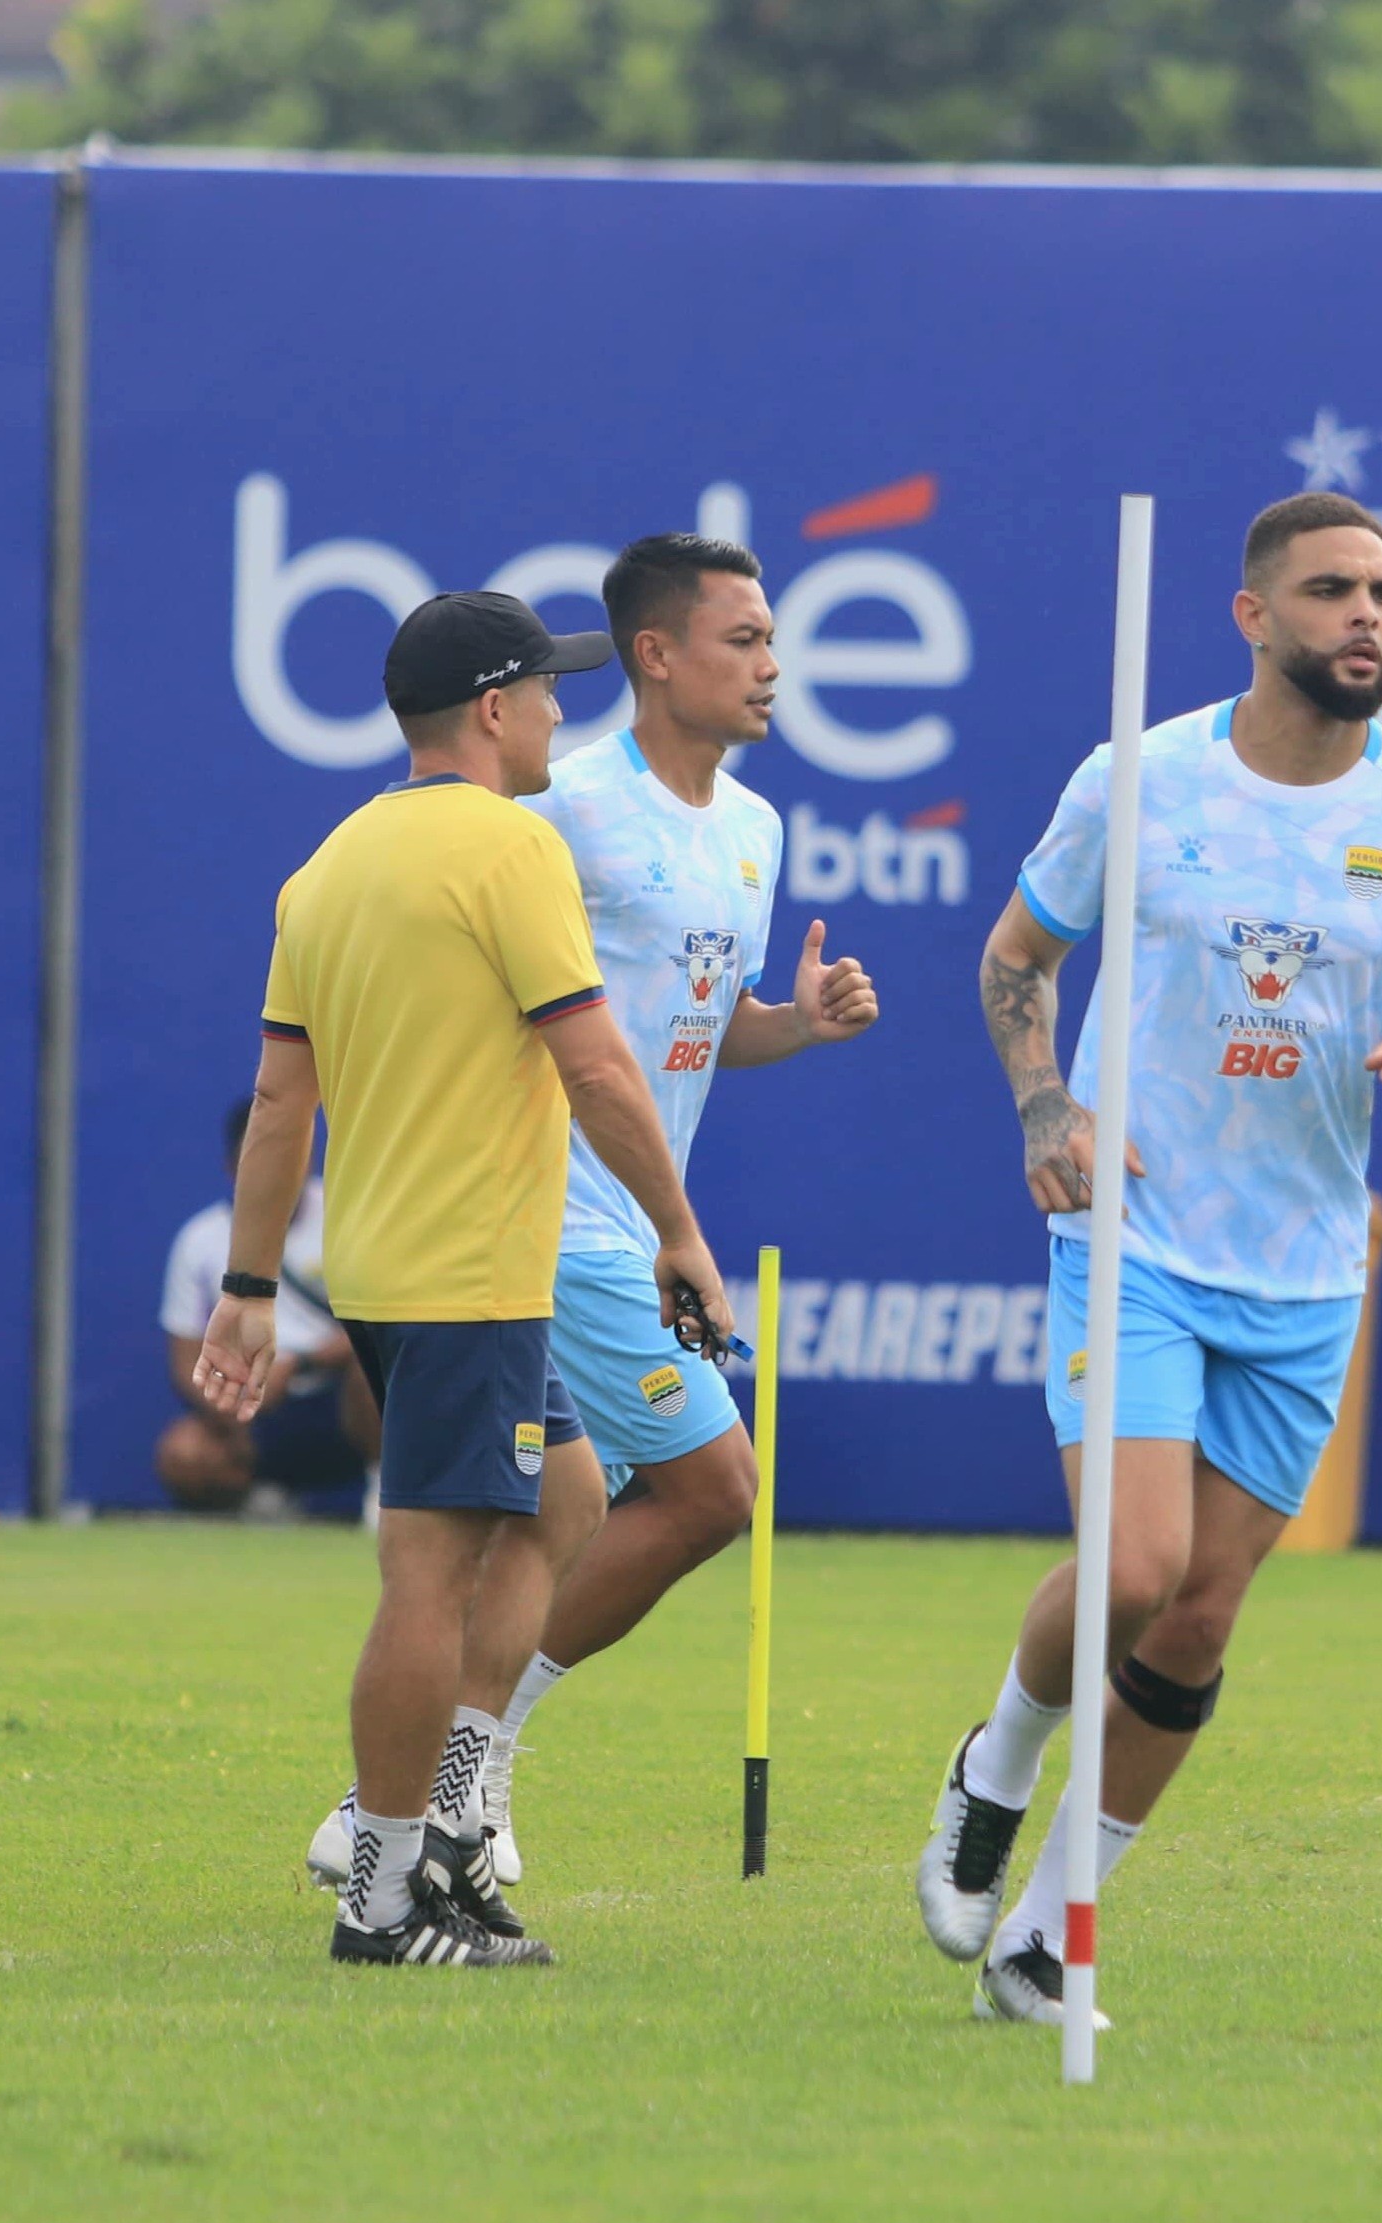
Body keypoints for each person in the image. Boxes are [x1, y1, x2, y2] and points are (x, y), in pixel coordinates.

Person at [912, 490, 1382, 2025]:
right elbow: (1013, 956)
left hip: (1308, 1271)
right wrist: (1045, 1101)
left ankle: (1049, 1940)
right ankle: (997, 1756)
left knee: (1200, 1611)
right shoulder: (1139, 777)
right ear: (1255, 617)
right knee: (1133, 1567)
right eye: (1332, 591)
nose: (1368, 615)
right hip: (1138, 1228)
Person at [303, 533, 878, 1893]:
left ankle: (399, 1808)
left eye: (774, 638)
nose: (772, 666)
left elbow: (690, 1026)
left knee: (559, 1509)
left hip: (632, 1211)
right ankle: (465, 1771)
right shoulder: (555, 807)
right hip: (547, 1206)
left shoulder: (755, 827)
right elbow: (541, 1012)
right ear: (655, 655)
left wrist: (792, 1025)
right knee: (711, 1486)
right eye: (741, 638)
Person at [196, 588, 731, 1969]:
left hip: (378, 1265)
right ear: (493, 709)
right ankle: (380, 1893)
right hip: (469, 1273)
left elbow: (276, 1099)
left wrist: (252, 1281)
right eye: (548, 687)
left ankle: (449, 1813)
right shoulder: (510, 848)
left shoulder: (328, 865)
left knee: (568, 1495)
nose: (564, 708)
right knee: (429, 1575)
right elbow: (599, 1064)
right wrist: (680, 1230)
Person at [157, 1098, 378, 1514]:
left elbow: (380, 1324)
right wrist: (231, 1402)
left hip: (339, 1400)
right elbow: (185, 1361)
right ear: (231, 1166)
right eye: (259, 1161)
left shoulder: (346, 1216)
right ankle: (261, 1500)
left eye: (288, 1158)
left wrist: (298, 1364)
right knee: (184, 1453)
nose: (275, 1176)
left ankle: (382, 1491)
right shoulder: (200, 1240)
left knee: (375, 1369)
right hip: (252, 1410)